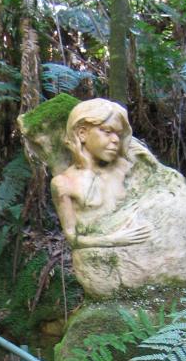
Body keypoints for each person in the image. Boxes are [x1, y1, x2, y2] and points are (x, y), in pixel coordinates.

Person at [51, 99, 152, 249]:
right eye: (107, 131)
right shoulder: (64, 183)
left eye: (118, 134)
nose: (115, 140)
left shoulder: (126, 168)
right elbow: (72, 238)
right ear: (82, 133)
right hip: (98, 263)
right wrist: (113, 240)